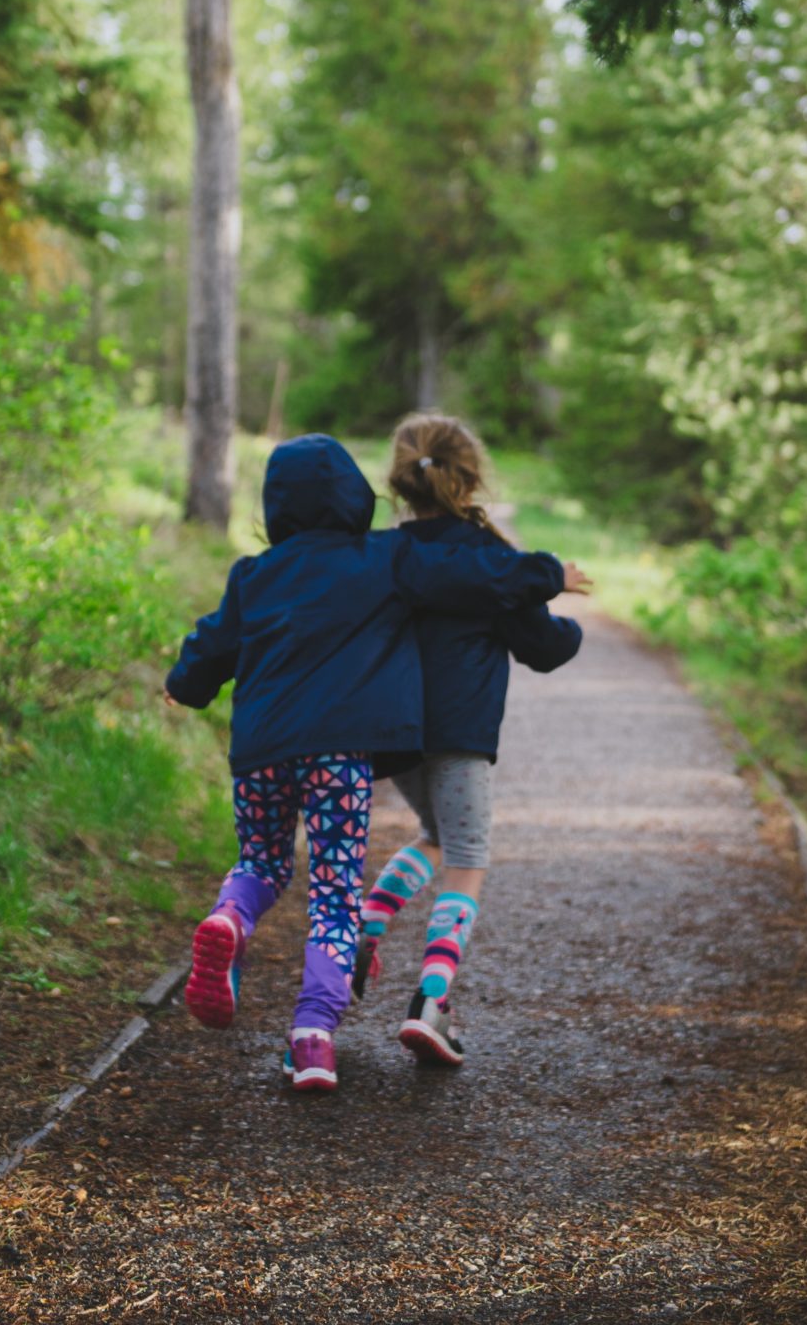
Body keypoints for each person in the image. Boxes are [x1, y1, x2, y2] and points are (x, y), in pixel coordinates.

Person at [164, 432, 588, 1093]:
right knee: (336, 896)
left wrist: (183, 685)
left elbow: (211, 642)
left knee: (263, 862)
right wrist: (548, 573)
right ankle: (312, 1040)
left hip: (260, 749)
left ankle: (230, 918)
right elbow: (476, 576)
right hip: (340, 755)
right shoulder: (383, 558)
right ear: (356, 497)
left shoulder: (254, 573)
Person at [354, 413, 586, 1067]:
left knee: (435, 833)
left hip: (395, 729)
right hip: (459, 730)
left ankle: (371, 920)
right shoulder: (492, 558)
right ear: (472, 475)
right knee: (469, 853)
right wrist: (570, 628)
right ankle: (431, 1000)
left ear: (402, 482)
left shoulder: (385, 553)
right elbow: (540, 645)